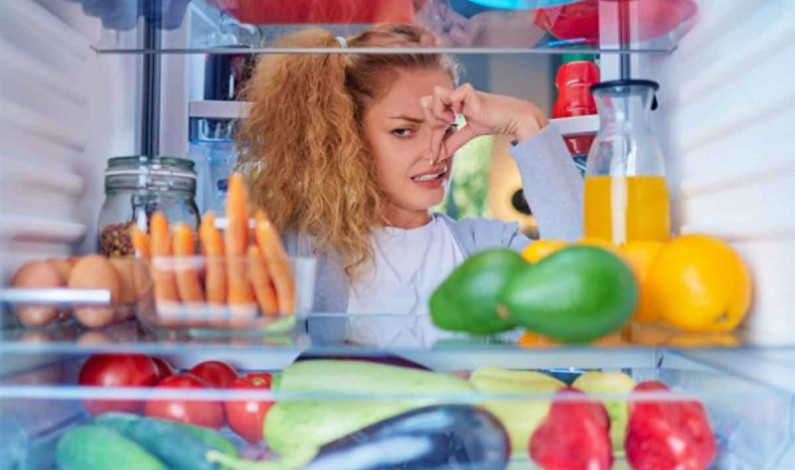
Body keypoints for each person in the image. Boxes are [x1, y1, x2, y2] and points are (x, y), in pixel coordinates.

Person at [237, 24, 583, 346]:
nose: (436, 151)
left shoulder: (488, 247)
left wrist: (523, 120)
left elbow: (586, 285)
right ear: (346, 138)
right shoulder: (299, 249)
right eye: (404, 131)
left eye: (446, 129)